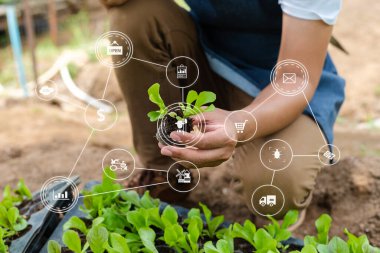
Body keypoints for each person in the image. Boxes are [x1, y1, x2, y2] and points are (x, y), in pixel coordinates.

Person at [99, 0, 345, 220]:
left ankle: (279, 210)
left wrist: (239, 124)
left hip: (280, 85)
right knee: (133, 16)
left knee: (276, 186)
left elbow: (294, 79)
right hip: (206, 58)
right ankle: (165, 175)